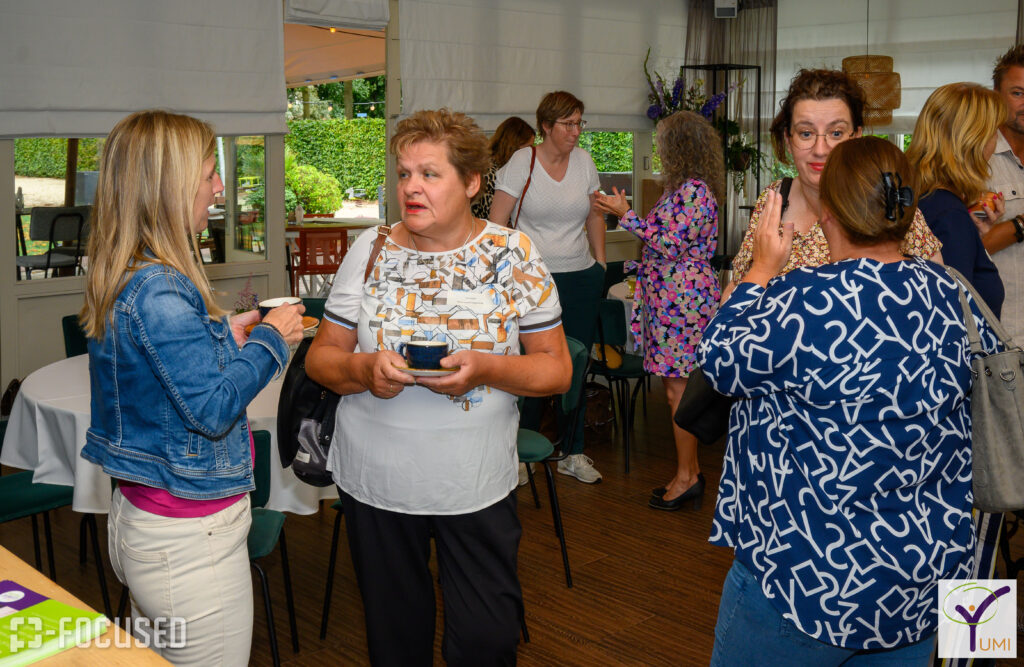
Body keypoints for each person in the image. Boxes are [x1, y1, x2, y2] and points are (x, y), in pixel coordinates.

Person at [699, 137, 999, 665]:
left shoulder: (799, 298)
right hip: (924, 578)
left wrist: (761, 270)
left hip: (805, 578)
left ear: (829, 214)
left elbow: (718, 359)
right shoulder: (955, 296)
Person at [305, 108, 571, 666]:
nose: (411, 187)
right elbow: (321, 360)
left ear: (471, 182)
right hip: (377, 484)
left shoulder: (513, 254)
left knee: (486, 641)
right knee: (396, 644)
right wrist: (365, 371)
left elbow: (556, 371)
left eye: (429, 174)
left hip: (473, 484)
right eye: (404, 174)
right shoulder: (371, 249)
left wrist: (486, 369)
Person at [79, 110, 305, 666]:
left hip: (144, 522)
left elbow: (161, 379)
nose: (219, 187)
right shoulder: (160, 287)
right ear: (170, 186)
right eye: (208, 174)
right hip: (188, 545)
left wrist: (223, 334)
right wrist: (271, 341)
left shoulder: (130, 272)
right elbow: (210, 408)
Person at [593, 110, 722, 510]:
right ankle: (689, 471)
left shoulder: (695, 192)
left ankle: (688, 477)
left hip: (683, 300)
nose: (659, 150)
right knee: (674, 389)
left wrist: (625, 214)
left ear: (679, 147)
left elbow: (669, 244)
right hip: (670, 298)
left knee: (679, 391)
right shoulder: (679, 190)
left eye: (662, 142)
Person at [729, 69, 941, 290]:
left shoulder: (883, 201)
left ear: (856, 136)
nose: (820, 150)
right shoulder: (774, 199)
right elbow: (737, 288)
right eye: (806, 133)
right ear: (789, 141)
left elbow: (932, 289)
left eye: (836, 133)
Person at [489, 90, 607, 484]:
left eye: (579, 123)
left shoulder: (584, 162)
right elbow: (497, 224)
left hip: (581, 276)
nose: (576, 131)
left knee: (576, 365)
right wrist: (507, 273)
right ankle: (523, 453)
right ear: (546, 126)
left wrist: (600, 262)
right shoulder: (523, 162)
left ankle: (573, 451)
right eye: (568, 124)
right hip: (532, 282)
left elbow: (594, 216)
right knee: (531, 367)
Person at [907, 82, 1005, 316]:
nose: (996, 142)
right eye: (994, 132)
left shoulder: (918, 197)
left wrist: (972, 237)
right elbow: (952, 316)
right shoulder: (949, 214)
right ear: (974, 141)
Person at [984, 44, 1024, 340]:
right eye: (1018, 93)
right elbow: (972, 245)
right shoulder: (978, 160)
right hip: (1003, 333)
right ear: (996, 95)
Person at [471, 116, 535, 220]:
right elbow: (493, 217)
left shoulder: (502, 168)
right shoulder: (489, 173)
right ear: (513, 146)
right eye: (527, 148)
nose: (530, 153)